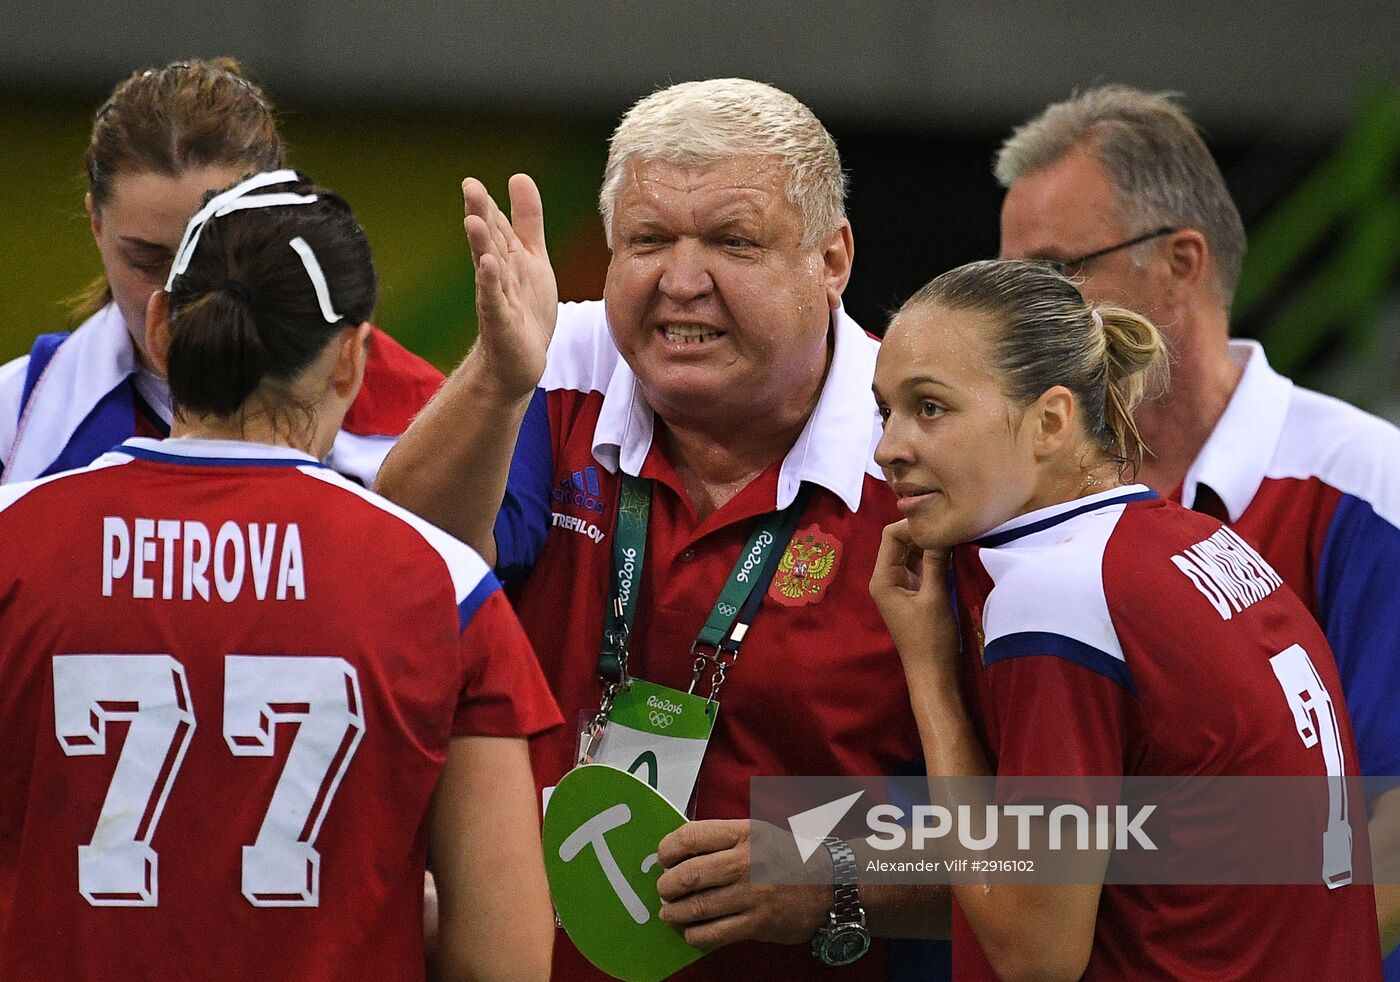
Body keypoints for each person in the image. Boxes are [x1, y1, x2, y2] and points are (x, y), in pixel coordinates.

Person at [375, 79, 939, 980]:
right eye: (647, 240)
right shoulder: (555, 361)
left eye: (732, 241)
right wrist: (493, 377)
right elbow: (394, 589)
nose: (681, 281)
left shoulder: (935, 447)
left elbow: (1112, 836)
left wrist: (837, 873)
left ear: (831, 261)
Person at [0, 171, 560, 981]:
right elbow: (502, 964)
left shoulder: (16, 542)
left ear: (160, 328)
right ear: (350, 358)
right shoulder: (446, 588)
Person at [870, 258, 1382, 979]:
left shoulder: (1056, 593)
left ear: (1051, 420)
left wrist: (928, 669)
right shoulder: (1204, 541)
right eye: (882, 410)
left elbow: (1033, 953)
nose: (889, 447)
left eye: (930, 408)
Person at [994, 84, 1400, 970]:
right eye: (1012, 284)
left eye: (1058, 275)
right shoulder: (1006, 497)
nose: (1025, 319)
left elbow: (1388, 835)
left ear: (1181, 262)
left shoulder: (1371, 488)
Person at [0, 58, 442, 488]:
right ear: (96, 225)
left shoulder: (427, 415)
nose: (182, 295)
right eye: (147, 260)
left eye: (219, 252)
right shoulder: (14, 424)